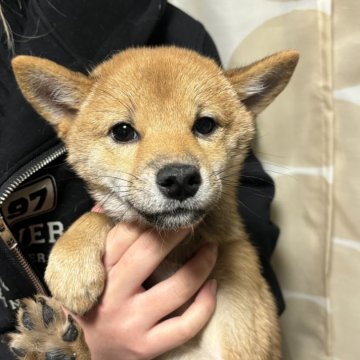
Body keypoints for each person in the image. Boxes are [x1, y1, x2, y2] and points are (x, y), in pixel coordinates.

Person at [0, 1, 283, 359]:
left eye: (204, 125)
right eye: (123, 131)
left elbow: (241, 211)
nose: (177, 167)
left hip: (216, 286)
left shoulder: (170, 26)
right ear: (65, 109)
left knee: (236, 259)